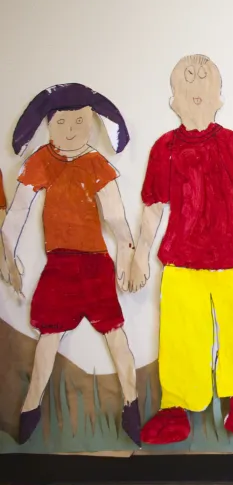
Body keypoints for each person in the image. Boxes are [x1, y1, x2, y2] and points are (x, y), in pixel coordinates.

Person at [129, 55, 233, 445]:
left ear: (219, 98)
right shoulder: (164, 148)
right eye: (186, 83)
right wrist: (138, 254)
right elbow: (152, 209)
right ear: (173, 100)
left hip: (231, 262)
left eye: (204, 82)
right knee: (181, 335)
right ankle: (176, 406)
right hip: (181, 262)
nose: (196, 88)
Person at [0, 84, 140, 445]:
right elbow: (16, 213)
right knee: (49, 335)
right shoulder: (42, 160)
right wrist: (8, 256)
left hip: (95, 264)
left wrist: (127, 252)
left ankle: (131, 403)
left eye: (80, 120)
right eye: (62, 121)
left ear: (93, 122)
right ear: (48, 124)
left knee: (114, 333)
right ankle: (31, 406)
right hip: (59, 265)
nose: (72, 129)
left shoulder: (96, 163)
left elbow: (116, 217)